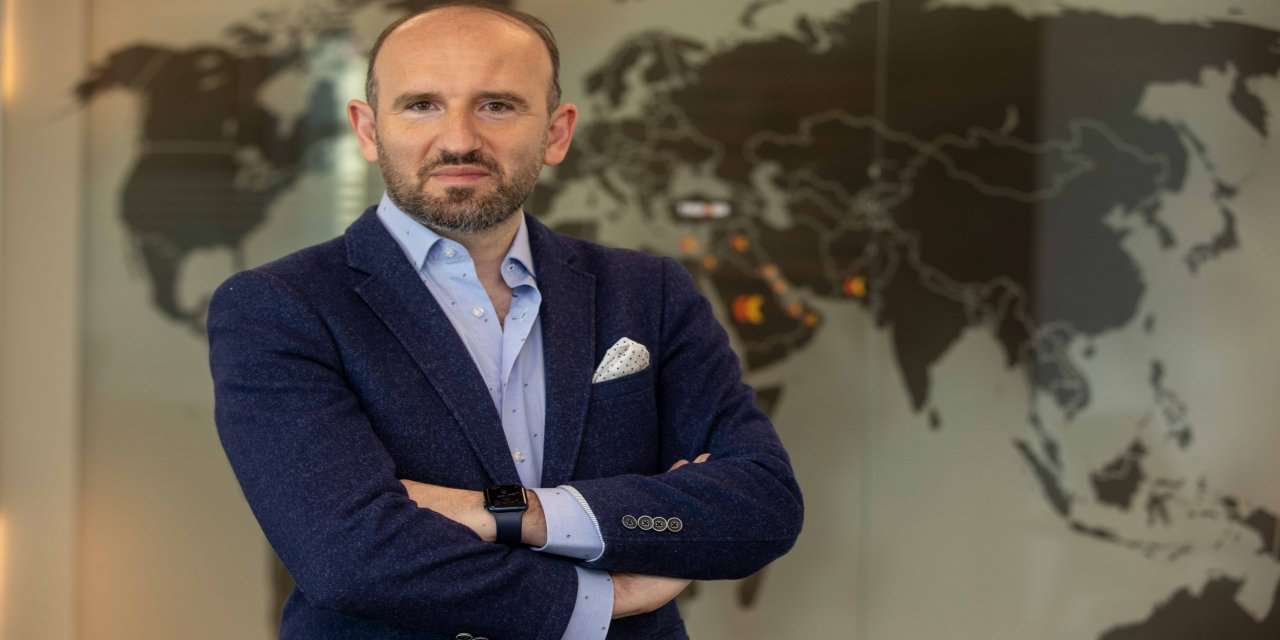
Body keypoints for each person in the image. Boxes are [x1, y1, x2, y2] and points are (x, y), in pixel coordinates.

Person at [207, 2, 803, 638]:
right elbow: (349, 557)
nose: (459, 139)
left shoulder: (648, 292)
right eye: (421, 105)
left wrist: (509, 512)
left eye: (497, 105)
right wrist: (601, 599)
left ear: (557, 132)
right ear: (368, 129)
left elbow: (761, 505)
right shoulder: (279, 306)